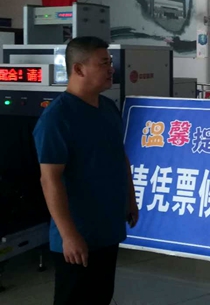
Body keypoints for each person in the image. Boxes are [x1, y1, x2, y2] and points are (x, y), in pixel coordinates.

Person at [34, 37, 139, 305]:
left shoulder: (108, 108)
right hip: (78, 233)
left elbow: (120, 157)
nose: (111, 68)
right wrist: (69, 235)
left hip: (108, 227)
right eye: (103, 63)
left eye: (110, 62)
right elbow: (50, 179)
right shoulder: (58, 118)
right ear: (79, 69)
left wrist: (130, 198)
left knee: (101, 296)